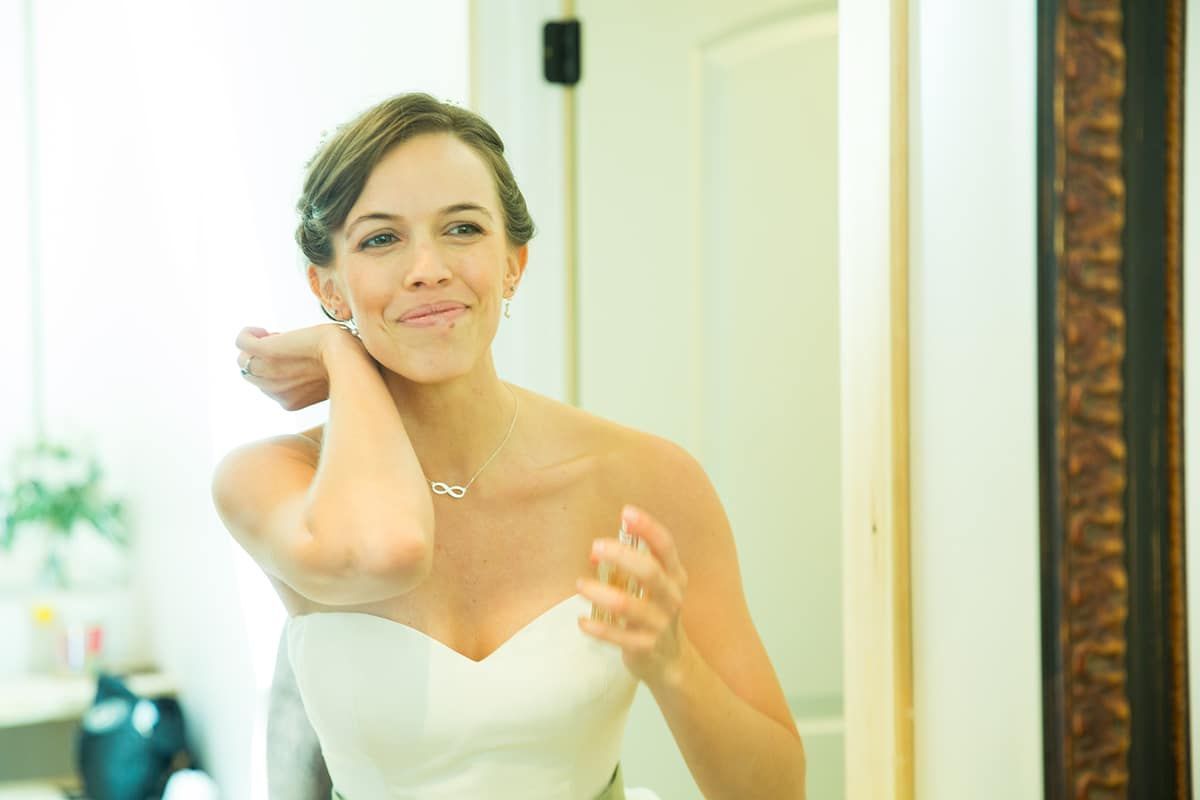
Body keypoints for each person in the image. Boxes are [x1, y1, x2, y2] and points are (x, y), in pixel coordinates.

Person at [211, 93, 806, 799]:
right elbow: (388, 550)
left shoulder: (647, 481)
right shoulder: (272, 479)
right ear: (327, 287)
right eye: (380, 239)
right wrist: (342, 358)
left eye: (462, 229)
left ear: (514, 263)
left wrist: (673, 665)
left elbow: (776, 790)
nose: (427, 268)